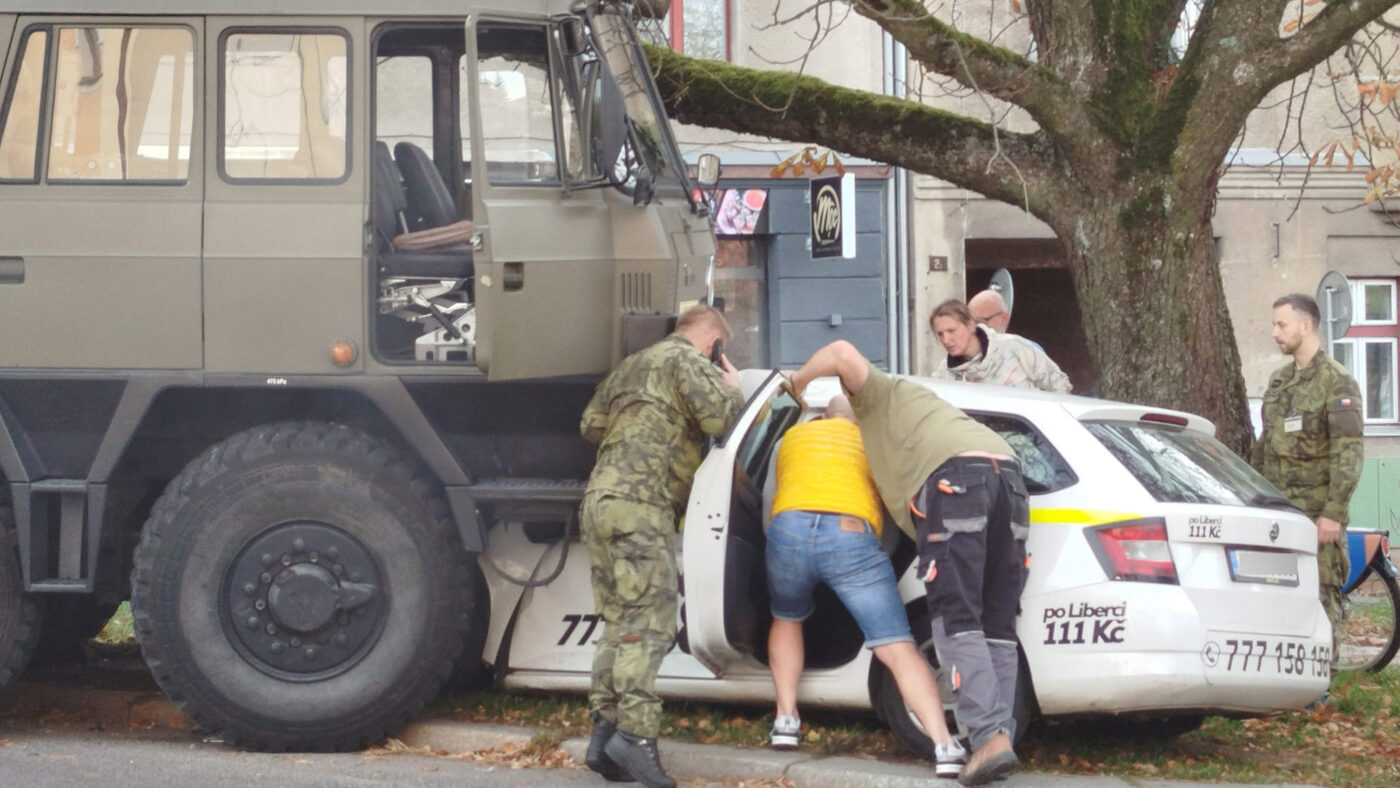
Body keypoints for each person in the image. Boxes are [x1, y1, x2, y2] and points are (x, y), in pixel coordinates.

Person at [788, 341, 1029, 787]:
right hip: (1009, 479)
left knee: (957, 620)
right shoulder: (925, 413)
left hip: (956, 484)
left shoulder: (879, 397)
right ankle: (1000, 739)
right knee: (996, 624)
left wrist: (797, 383)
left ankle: (988, 739)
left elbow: (841, 352)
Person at [579, 304, 744, 788]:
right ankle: (635, 737)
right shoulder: (687, 361)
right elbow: (721, 418)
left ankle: (605, 732)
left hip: (600, 501)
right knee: (649, 624)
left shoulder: (632, 365)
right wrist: (733, 388)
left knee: (617, 622)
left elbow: (590, 424)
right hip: (642, 503)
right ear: (714, 343)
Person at [763, 394, 966, 778]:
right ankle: (944, 745)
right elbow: (896, 506)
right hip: (850, 533)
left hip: (789, 530)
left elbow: (776, 492)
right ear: (861, 421)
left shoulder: (791, 439)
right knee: (895, 643)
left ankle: (785, 721)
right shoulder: (873, 444)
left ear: (825, 416)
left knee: (787, 617)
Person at [1248, 293, 1363, 664]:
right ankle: (1284, 678)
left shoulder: (1336, 383)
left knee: (1321, 597)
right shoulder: (1280, 381)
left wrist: (1333, 513)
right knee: (1277, 598)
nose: (1275, 332)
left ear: (1305, 325)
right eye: (1274, 325)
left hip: (1316, 517)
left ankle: (1322, 682)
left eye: (1281, 325)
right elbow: (1266, 446)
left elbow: (1348, 452)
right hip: (1278, 514)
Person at [930, 299, 1070, 394]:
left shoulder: (1014, 348)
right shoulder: (944, 374)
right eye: (940, 334)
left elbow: (1060, 384)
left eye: (951, 331)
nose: (946, 340)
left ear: (970, 325)